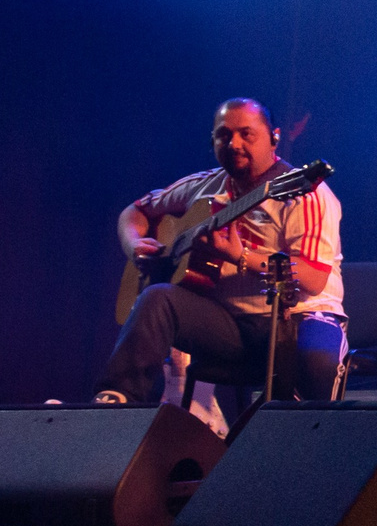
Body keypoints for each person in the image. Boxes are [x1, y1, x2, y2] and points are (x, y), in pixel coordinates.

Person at [93, 99, 345, 413]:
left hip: (299, 318)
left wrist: (242, 257)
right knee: (157, 298)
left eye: (246, 134)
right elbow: (136, 211)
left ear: (274, 137)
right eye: (224, 135)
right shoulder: (203, 185)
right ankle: (116, 403)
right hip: (229, 324)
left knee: (317, 361)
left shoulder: (305, 194)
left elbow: (313, 277)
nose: (234, 143)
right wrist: (135, 245)